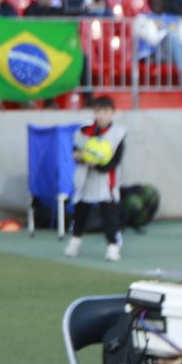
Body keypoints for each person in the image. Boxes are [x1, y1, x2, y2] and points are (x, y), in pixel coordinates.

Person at [65, 96, 128, 261]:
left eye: (106, 111)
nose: (102, 115)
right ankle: (75, 242)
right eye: (98, 111)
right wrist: (80, 156)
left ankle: (113, 246)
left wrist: (99, 165)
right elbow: (75, 150)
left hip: (107, 181)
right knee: (80, 212)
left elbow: (116, 160)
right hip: (86, 179)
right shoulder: (85, 131)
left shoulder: (118, 133)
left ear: (112, 113)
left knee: (110, 215)